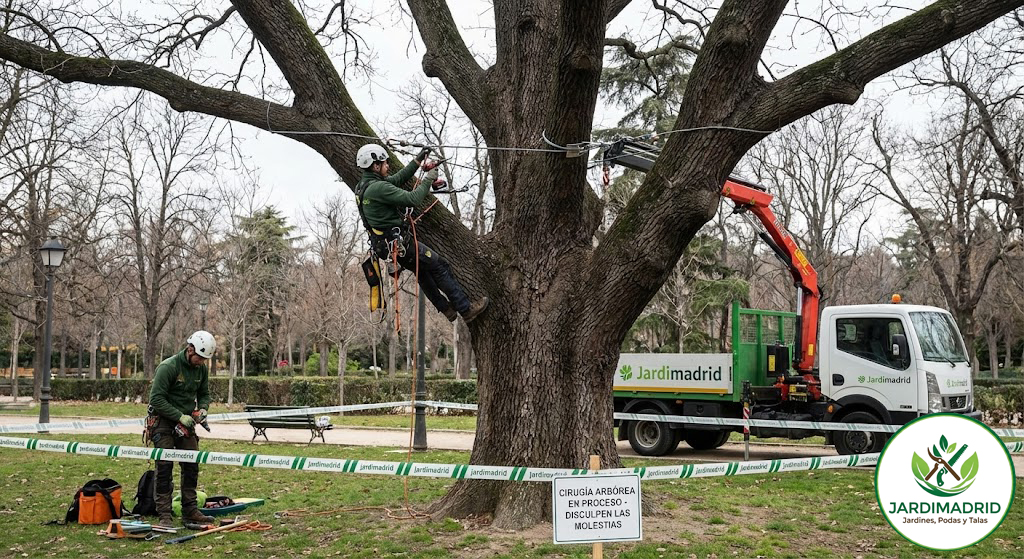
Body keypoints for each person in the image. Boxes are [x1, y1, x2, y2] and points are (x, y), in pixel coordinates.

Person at [355, 143, 489, 323]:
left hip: (387, 246)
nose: (388, 165)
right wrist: (429, 178)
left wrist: (417, 160)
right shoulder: (378, 188)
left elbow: (398, 179)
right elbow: (413, 199)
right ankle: (466, 309)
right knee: (439, 265)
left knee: (423, 273)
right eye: (384, 162)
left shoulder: (364, 186)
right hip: (400, 245)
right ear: (375, 166)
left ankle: (447, 309)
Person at [148, 330, 217, 528]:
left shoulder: (201, 370)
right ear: (190, 349)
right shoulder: (168, 367)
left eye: (205, 359)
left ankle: (190, 510)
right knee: (164, 467)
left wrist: (203, 409)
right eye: (200, 358)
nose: (201, 362)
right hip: (163, 421)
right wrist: (179, 416)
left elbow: (204, 393)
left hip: (186, 423)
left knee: (191, 464)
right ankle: (164, 514)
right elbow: (156, 399)